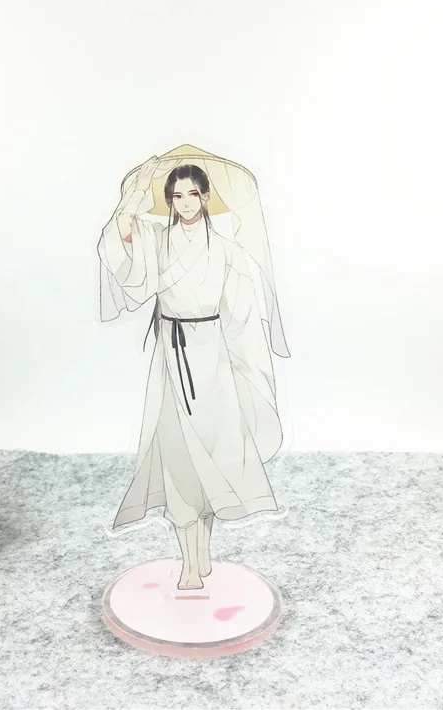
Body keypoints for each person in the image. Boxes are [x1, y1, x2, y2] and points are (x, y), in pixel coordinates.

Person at [98, 152, 286, 590]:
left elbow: (242, 318)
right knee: (178, 453)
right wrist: (134, 193)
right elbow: (119, 242)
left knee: (212, 453)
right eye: (176, 196)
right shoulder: (156, 241)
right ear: (168, 200)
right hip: (172, 356)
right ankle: (187, 561)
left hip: (214, 360)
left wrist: (248, 369)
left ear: (205, 197)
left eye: (192, 194)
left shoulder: (227, 252)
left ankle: (203, 556)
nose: (185, 203)